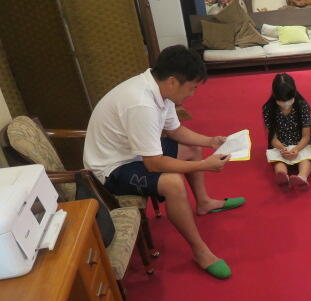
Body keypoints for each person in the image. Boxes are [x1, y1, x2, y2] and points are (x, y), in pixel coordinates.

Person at [83, 45, 242, 279]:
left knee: (192, 148)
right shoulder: (141, 104)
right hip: (110, 169)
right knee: (172, 183)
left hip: (133, 153)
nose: (193, 94)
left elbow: (175, 131)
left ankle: (204, 202)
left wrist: (210, 141)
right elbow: (154, 164)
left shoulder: (160, 91)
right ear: (172, 82)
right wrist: (204, 165)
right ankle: (200, 251)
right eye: (192, 87)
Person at [263, 73, 311, 191]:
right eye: (282, 101)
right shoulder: (268, 108)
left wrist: (297, 149)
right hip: (280, 145)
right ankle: (283, 176)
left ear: (294, 93)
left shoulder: (302, 105)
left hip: (300, 144)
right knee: (278, 161)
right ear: (275, 96)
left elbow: (306, 136)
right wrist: (283, 149)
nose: (286, 104)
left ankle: (302, 177)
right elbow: (272, 138)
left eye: (289, 100)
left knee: (306, 159)